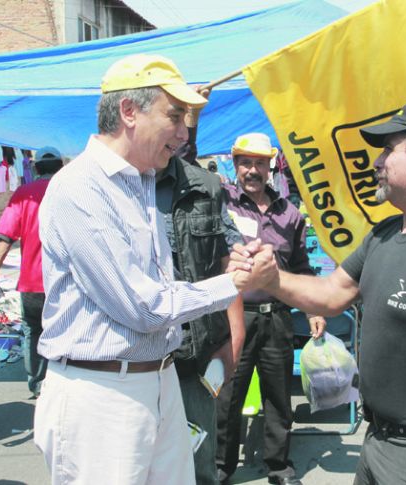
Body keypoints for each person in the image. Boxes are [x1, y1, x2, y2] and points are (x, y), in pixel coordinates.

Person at [230, 99, 406, 485]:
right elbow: (331, 294)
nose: (377, 163)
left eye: (388, 150)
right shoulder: (384, 234)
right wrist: (270, 278)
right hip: (379, 441)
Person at [33, 53, 275, 485]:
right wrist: (230, 284)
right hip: (101, 394)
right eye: (175, 116)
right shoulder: (80, 189)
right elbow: (142, 307)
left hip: (158, 382)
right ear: (129, 111)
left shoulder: (141, 182)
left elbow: (165, 284)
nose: (184, 133)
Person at [215, 133, 326, 485]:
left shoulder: (290, 214)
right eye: (246, 162)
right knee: (227, 397)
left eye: (259, 163)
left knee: (279, 397)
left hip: (277, 318)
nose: (252, 170)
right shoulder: (222, 203)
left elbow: (301, 266)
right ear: (235, 165)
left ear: (270, 167)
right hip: (234, 319)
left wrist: (314, 310)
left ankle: (279, 466)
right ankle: (221, 466)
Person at [154, 87, 247, 485]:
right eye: (172, 120)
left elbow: (227, 263)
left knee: (199, 465)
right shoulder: (117, 188)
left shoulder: (204, 187)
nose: (178, 135)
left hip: (194, 359)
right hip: (138, 361)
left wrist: (234, 341)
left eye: (183, 123)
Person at [0, 146, 64, 399]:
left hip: (31, 281)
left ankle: (38, 383)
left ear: (36, 168)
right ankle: (63, 381)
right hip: (65, 281)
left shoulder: (24, 193)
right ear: (60, 167)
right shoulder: (70, 191)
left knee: (32, 328)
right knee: (64, 328)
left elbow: (5, 235)